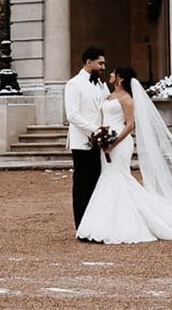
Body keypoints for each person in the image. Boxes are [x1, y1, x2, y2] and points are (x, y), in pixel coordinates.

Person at [76, 66, 172, 244]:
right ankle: (106, 222)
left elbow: (130, 124)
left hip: (119, 142)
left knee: (119, 177)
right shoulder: (108, 95)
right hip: (107, 141)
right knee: (108, 176)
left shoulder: (127, 99)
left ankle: (126, 224)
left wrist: (114, 142)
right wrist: (101, 138)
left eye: (113, 73)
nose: (110, 74)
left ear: (120, 79)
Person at [63, 46, 109, 232]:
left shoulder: (101, 84)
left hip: (101, 141)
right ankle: (81, 226)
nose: (103, 66)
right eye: (100, 63)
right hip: (82, 142)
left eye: (103, 63)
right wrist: (95, 130)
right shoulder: (73, 84)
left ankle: (96, 224)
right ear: (88, 62)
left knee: (99, 182)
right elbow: (72, 115)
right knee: (83, 184)